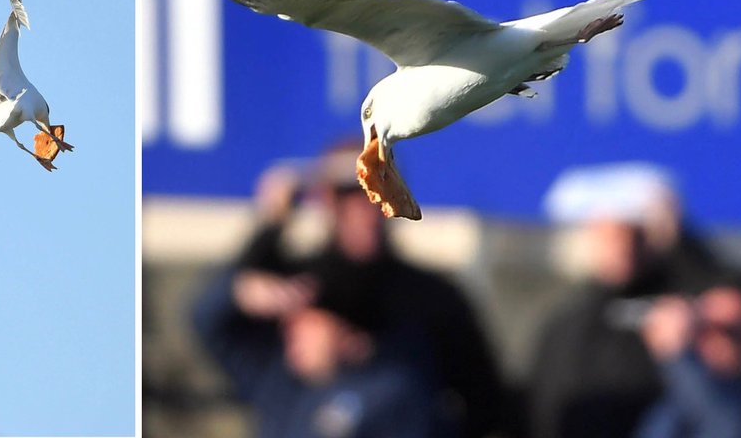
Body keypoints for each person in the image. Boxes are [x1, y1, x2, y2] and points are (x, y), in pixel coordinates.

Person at [191, 143, 507, 438]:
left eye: (379, 190)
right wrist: (269, 230)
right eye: (351, 194)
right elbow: (210, 321)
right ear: (327, 201)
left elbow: (484, 401)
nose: (366, 208)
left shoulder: (432, 298)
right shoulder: (297, 284)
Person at [526, 164, 733, 438]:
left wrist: (677, 238)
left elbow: (731, 298)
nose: (622, 245)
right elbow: (542, 407)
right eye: (609, 233)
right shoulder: (566, 323)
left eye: (633, 233)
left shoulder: (681, 310)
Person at [635, 276, 741, 438]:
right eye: (703, 328)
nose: (715, 339)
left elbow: (734, 427)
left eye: (731, 331)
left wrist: (677, 355)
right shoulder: (680, 401)